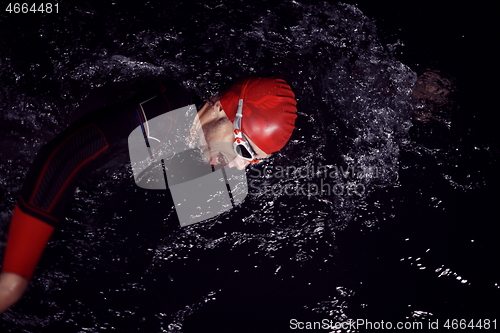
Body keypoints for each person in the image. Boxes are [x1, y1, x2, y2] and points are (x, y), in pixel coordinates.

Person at [0, 76, 297, 313]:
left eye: (253, 160)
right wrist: (14, 278)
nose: (238, 166)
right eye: (243, 149)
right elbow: (64, 156)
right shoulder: (164, 116)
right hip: (20, 136)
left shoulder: (197, 142)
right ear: (221, 108)